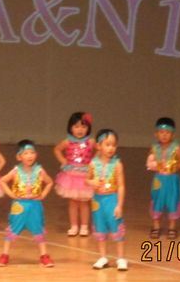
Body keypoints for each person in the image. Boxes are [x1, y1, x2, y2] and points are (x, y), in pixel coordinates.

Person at [0, 140, 54, 268]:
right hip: (19, 206)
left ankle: (44, 255)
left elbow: (49, 182)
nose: (29, 156)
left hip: (35, 205)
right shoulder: (16, 171)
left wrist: (43, 195)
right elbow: (2, 181)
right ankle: (4, 254)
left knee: (38, 229)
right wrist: (11, 194)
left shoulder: (39, 170)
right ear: (19, 157)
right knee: (13, 229)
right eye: (26, 153)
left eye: (32, 152)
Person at [86, 129, 127, 270]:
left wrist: (119, 205)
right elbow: (87, 179)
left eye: (113, 145)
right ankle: (103, 257)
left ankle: (121, 258)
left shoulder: (117, 164)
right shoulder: (93, 164)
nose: (111, 148)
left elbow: (121, 186)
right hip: (97, 201)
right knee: (100, 227)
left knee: (116, 227)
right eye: (107, 144)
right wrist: (92, 182)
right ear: (98, 146)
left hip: (111, 199)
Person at [54, 112, 96, 237]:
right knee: (73, 202)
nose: (80, 130)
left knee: (84, 202)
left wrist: (94, 164)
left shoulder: (91, 141)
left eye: (83, 126)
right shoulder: (67, 141)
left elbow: (100, 150)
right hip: (71, 176)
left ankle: (84, 226)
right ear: (70, 127)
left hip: (85, 175)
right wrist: (63, 161)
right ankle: (74, 226)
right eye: (76, 126)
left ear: (88, 128)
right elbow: (57, 149)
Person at [146, 117, 180, 239]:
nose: (164, 135)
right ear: (156, 134)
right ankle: (156, 226)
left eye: (168, 132)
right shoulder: (154, 147)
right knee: (157, 201)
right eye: (161, 132)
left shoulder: (176, 148)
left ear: (172, 134)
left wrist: (175, 167)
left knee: (172, 201)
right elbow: (150, 161)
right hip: (159, 179)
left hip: (171, 179)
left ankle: (172, 227)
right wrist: (152, 165)